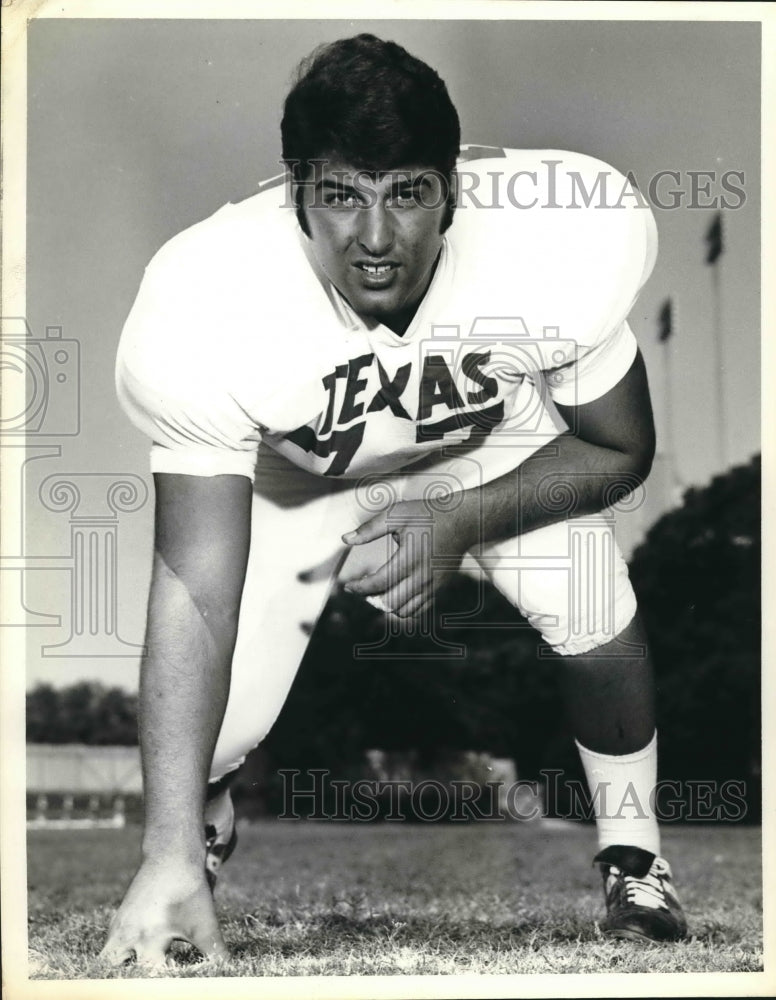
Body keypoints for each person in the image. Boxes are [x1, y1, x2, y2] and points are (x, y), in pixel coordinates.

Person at [101, 34, 687, 965]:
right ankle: (195, 834)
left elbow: (622, 447)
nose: (375, 238)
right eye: (341, 194)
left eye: (407, 192)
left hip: (482, 447)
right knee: (217, 729)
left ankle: (636, 857)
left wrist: (454, 521)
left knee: (596, 607)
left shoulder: (555, 238)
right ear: (297, 192)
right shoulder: (205, 293)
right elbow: (193, 581)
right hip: (307, 473)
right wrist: (160, 847)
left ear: (451, 192)